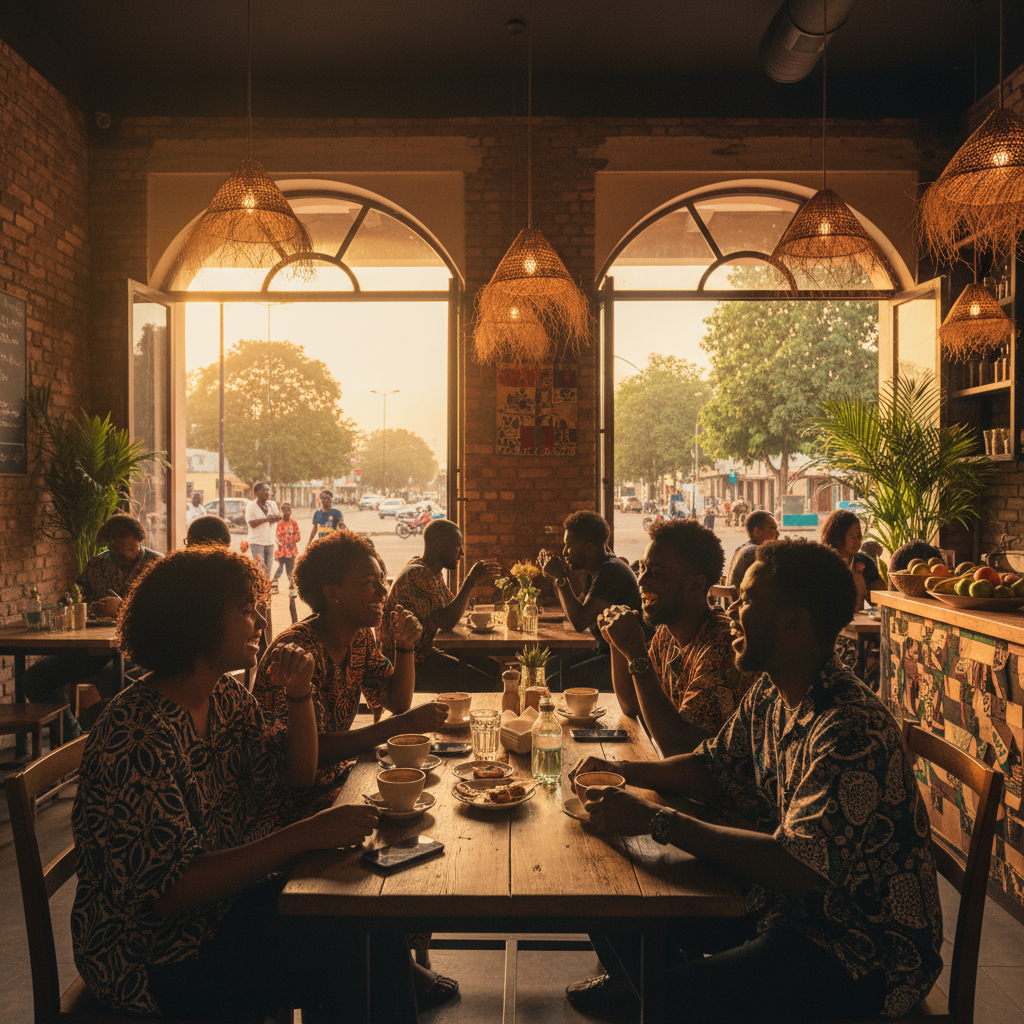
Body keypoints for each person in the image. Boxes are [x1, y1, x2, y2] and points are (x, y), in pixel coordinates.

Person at [569, 538, 943, 1023]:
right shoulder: (774, 688)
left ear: (794, 622)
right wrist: (623, 771)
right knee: (616, 903)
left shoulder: (851, 729)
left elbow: (795, 866)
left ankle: (672, 996)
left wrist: (656, 820)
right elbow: (710, 765)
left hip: (857, 947)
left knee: (675, 997)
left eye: (746, 601)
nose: (731, 610)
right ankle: (669, 991)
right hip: (786, 906)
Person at [71, 544, 414, 1022]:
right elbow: (174, 893)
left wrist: (300, 696)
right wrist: (306, 835)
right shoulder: (138, 734)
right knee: (350, 947)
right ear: (200, 621)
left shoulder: (225, 696)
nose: (260, 624)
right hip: (154, 953)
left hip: (225, 907)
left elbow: (296, 777)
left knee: (372, 916)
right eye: (247, 611)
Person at [251, 530, 458, 1010]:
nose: (383, 592)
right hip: (285, 802)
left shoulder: (360, 638)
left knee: (420, 817)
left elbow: (396, 700)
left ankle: (392, 957)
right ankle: (385, 959)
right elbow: (300, 758)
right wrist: (393, 729)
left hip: (334, 786)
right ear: (332, 593)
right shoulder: (295, 652)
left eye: (382, 580)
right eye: (370, 582)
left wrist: (405, 647)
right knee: (397, 836)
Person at [598, 518, 756, 757]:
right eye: (642, 568)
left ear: (695, 584)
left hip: (709, 792)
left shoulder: (723, 647)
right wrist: (617, 644)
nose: (641, 580)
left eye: (656, 573)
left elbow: (677, 748)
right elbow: (631, 705)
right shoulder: (668, 633)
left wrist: (636, 652)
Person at [23, 513, 161, 738]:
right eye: (114, 549)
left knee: (112, 677)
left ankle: (127, 742)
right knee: (35, 677)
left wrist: (121, 608)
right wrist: (69, 607)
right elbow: (75, 596)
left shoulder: (157, 565)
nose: (120, 555)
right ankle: (75, 742)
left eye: (127, 550)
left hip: (138, 647)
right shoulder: (98, 563)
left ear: (139, 541)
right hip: (94, 648)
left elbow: (163, 613)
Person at [380, 519, 502, 688]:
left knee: (494, 668)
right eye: (458, 547)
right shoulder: (417, 575)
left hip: (424, 653)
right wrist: (470, 580)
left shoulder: (431, 572)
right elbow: (447, 621)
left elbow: (453, 606)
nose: (462, 554)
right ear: (438, 545)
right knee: (489, 683)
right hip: (409, 663)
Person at [537, 510, 643, 690]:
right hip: (606, 650)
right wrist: (556, 578)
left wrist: (560, 578)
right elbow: (575, 609)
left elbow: (579, 622)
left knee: (558, 679)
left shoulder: (610, 572)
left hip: (626, 659)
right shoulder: (597, 568)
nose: (564, 552)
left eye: (569, 546)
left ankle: (578, 718)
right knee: (553, 665)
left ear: (588, 548)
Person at [820, 509, 884, 608]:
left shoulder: (865, 564)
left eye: (859, 536)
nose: (858, 541)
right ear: (838, 538)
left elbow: (883, 599)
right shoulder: (822, 564)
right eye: (852, 537)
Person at [726, 510, 779, 589]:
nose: (778, 533)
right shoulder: (755, 552)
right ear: (757, 532)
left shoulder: (743, 548)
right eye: (773, 528)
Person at [245, 481, 281, 578]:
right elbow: (251, 523)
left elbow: (277, 517)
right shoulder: (251, 506)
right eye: (263, 490)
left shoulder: (272, 504)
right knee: (260, 569)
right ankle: (260, 590)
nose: (266, 492)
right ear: (256, 493)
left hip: (270, 541)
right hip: (257, 542)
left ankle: (266, 591)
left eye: (268, 490)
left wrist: (278, 517)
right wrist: (267, 519)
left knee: (268, 570)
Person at [272, 501, 301, 597]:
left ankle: (292, 588)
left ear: (291, 511)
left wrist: (290, 540)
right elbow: (278, 536)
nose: (287, 511)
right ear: (282, 511)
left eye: (289, 509)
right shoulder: (279, 524)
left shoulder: (294, 523)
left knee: (290, 570)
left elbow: (298, 536)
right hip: (282, 551)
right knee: (280, 567)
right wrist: (286, 541)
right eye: (285, 509)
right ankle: (274, 584)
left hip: (292, 551)